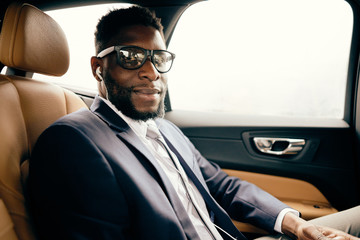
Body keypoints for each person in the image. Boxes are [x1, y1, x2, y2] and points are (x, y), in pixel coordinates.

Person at [28, 5, 360, 240]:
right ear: (98, 67)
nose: (151, 71)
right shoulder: (73, 141)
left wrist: (296, 225)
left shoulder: (167, 130)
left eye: (158, 58)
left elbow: (224, 187)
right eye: (131, 56)